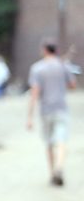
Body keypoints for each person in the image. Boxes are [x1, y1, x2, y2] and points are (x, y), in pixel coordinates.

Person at [27, 39, 76, 186]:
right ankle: (59, 167)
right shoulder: (63, 66)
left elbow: (35, 93)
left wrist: (29, 116)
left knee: (49, 143)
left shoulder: (37, 68)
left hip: (46, 110)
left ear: (44, 50)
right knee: (62, 141)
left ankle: (52, 172)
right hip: (61, 108)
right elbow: (72, 85)